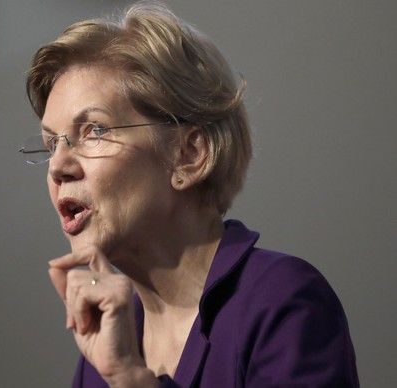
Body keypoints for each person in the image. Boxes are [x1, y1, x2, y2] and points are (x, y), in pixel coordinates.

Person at [20, 1, 359, 387]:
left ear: (188, 156)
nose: (58, 166)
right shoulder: (111, 337)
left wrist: (131, 379)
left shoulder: (281, 302)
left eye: (95, 130)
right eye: (51, 145)